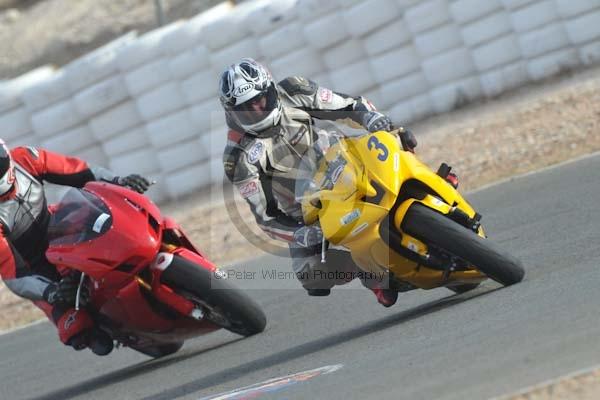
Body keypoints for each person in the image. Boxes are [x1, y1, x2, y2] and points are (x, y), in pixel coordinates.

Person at [220, 58, 431, 307]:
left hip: (343, 162)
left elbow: (348, 105)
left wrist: (370, 118)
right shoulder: (237, 157)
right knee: (311, 275)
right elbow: (266, 217)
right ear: (231, 112)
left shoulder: (294, 91)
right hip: (308, 208)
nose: (256, 110)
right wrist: (300, 234)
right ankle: (369, 273)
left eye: (260, 100)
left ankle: (432, 183)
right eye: (246, 108)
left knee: (397, 138)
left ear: (271, 90)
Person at [0, 141, 150, 355]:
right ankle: (105, 326)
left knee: (116, 225)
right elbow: (14, 276)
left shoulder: (25, 159)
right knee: (79, 330)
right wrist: (50, 292)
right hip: (38, 270)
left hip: (60, 229)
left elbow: (78, 171)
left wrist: (119, 181)